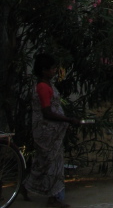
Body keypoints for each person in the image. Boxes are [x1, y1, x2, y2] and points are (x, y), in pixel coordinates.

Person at [23, 53, 80, 208]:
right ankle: (53, 198)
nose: (55, 70)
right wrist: (67, 120)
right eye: (52, 68)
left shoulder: (47, 84)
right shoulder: (42, 87)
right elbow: (47, 112)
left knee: (43, 162)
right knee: (53, 164)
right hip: (46, 131)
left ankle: (27, 186)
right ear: (44, 70)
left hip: (51, 131)